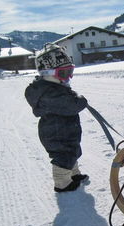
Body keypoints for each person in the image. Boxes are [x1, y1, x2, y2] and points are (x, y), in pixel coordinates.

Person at [25, 44, 88, 192]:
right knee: (63, 157)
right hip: (56, 133)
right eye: (64, 73)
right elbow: (73, 105)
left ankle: (73, 175)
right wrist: (81, 100)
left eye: (70, 72)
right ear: (47, 73)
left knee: (72, 152)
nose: (68, 77)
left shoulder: (54, 88)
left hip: (64, 130)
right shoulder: (49, 94)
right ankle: (62, 183)